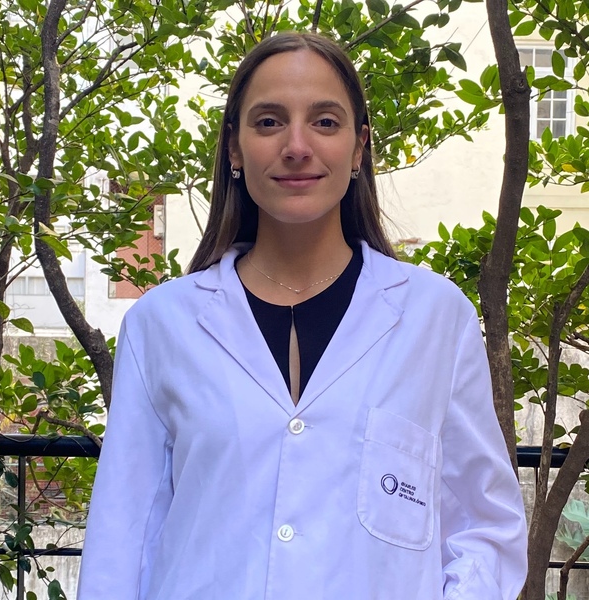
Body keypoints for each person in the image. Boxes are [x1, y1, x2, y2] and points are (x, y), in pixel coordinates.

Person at [77, 32, 527, 600]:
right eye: (268, 122)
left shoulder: (435, 320)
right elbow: (122, 538)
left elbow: (486, 526)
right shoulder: (162, 325)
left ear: (359, 147)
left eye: (325, 122)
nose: (296, 145)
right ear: (234, 149)